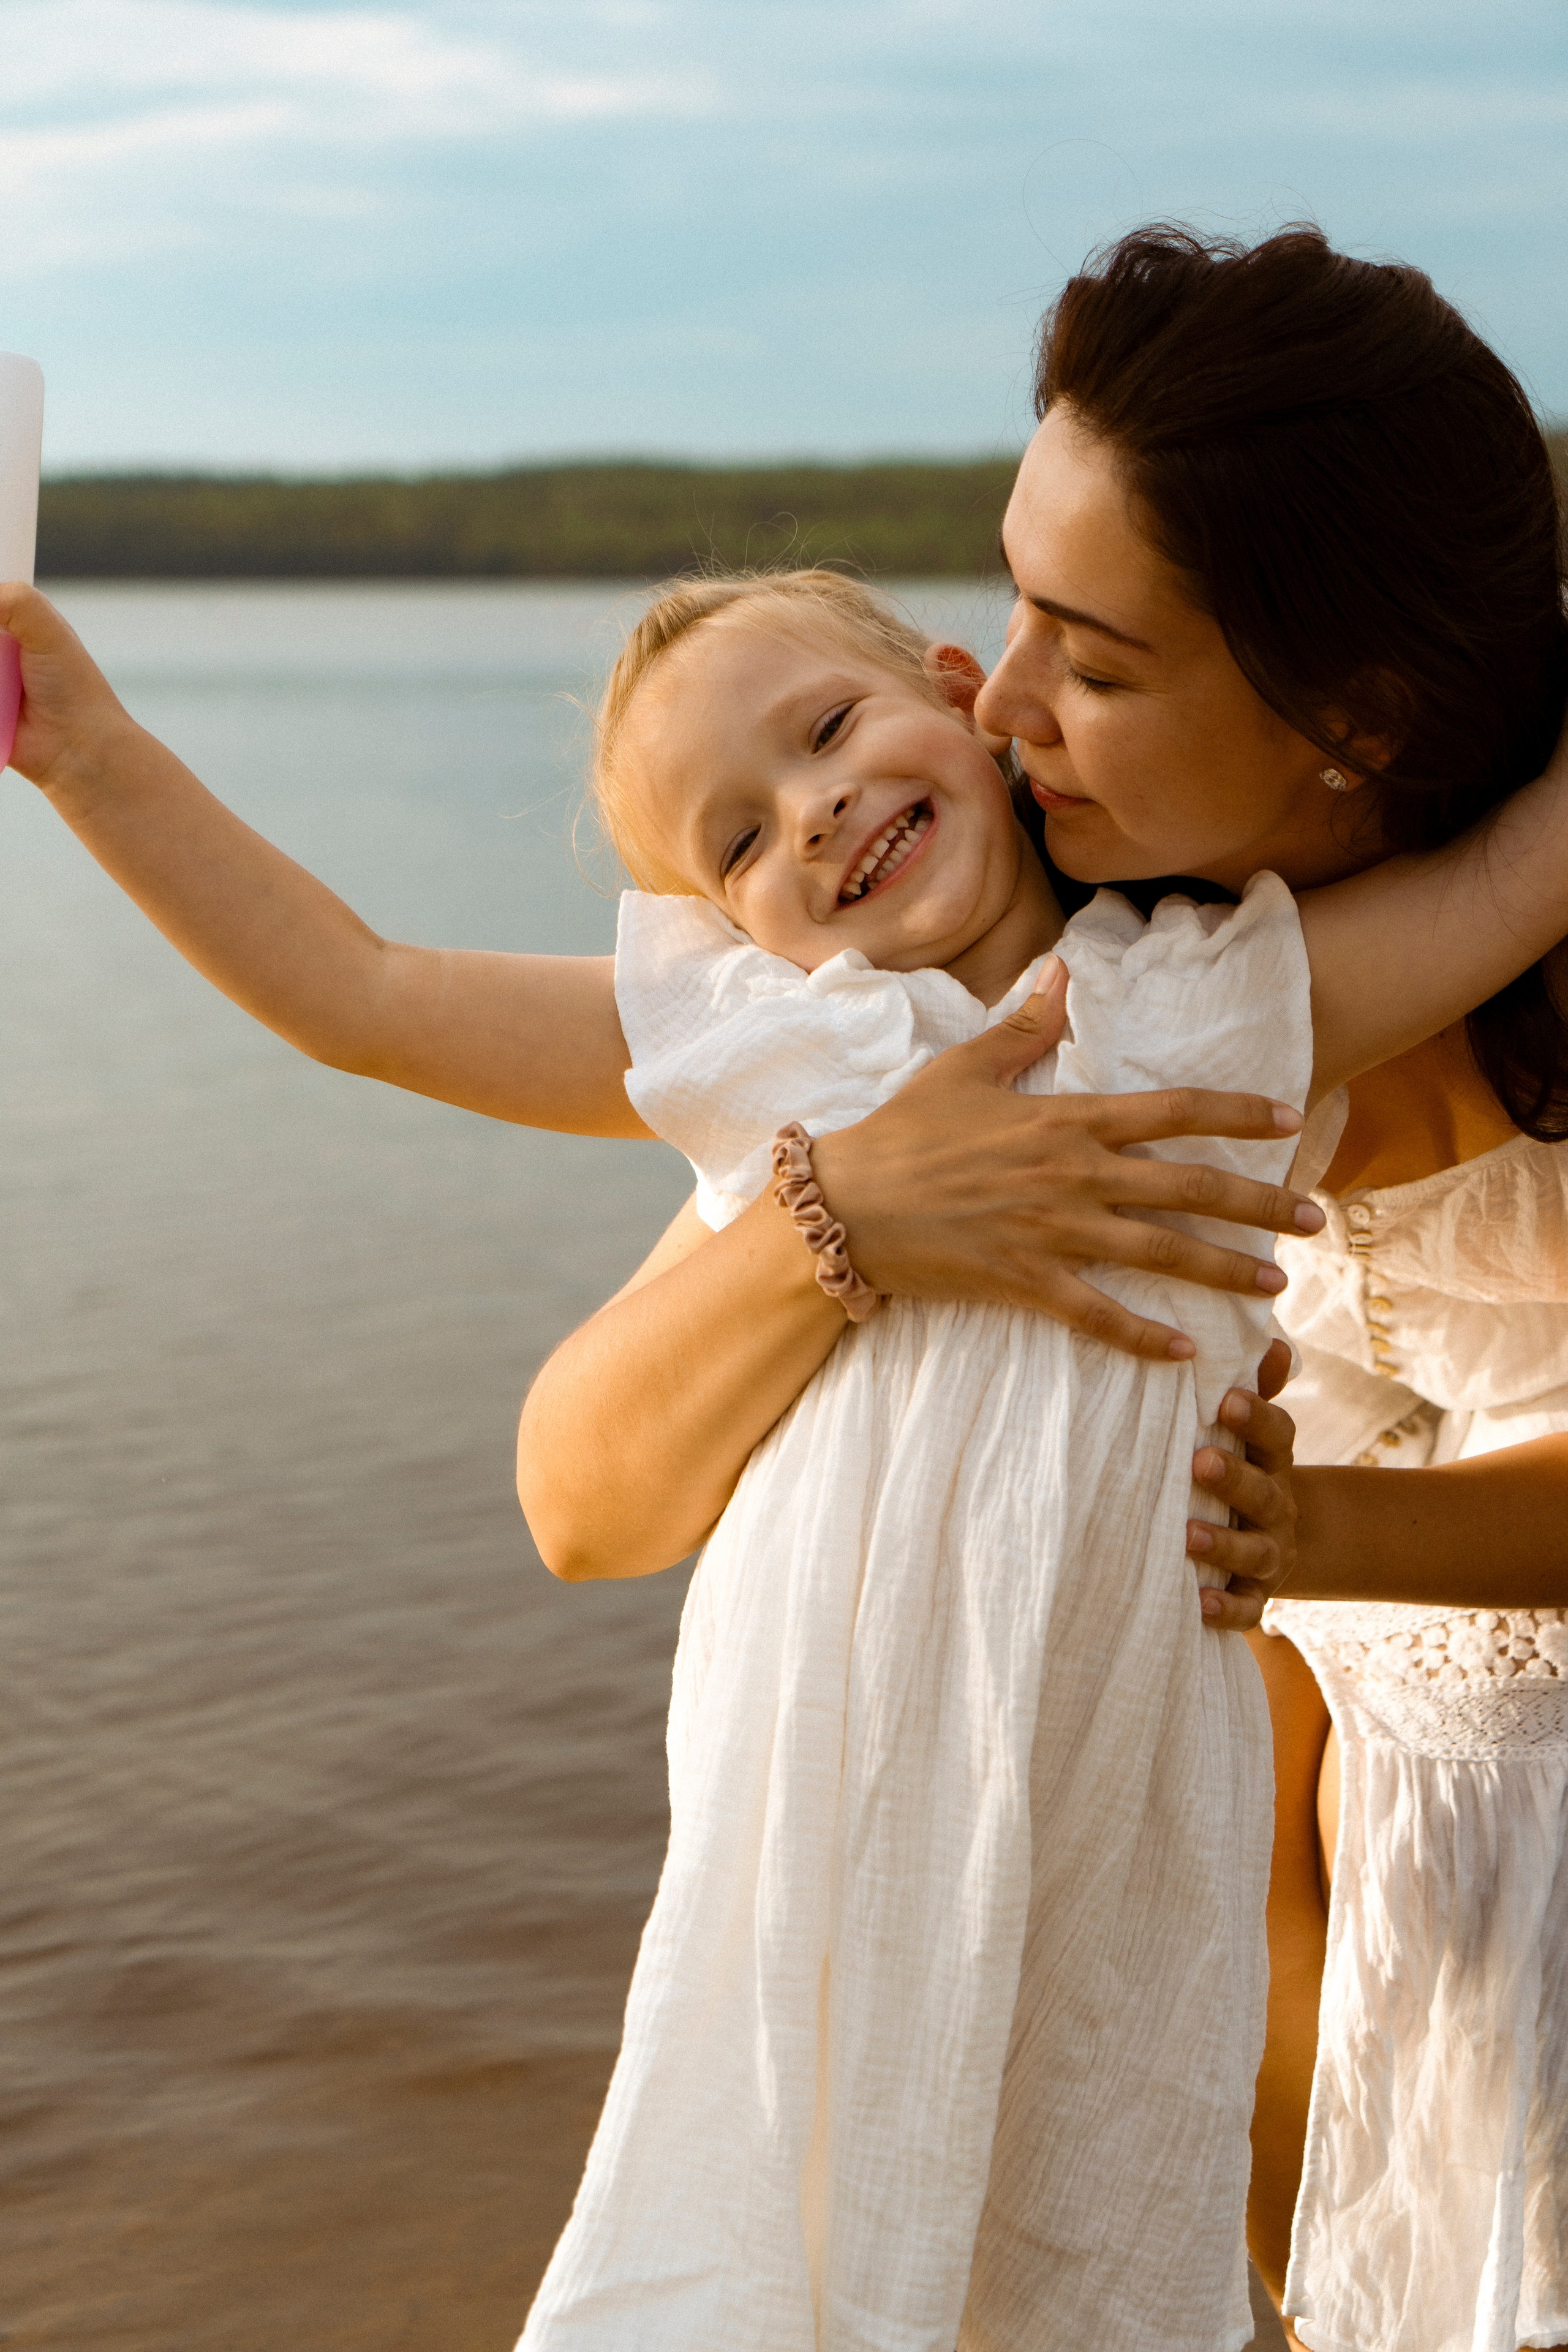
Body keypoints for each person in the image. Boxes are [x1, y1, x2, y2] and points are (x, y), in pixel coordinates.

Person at [514, 225, 1568, 2352]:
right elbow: (583, 1498)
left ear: (1352, 715)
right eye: (1010, 604)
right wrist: (857, 1221)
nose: (991, 695)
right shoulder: (1025, 988)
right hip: (1332, 1989)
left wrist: (1324, 1540)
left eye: (1088, 653)